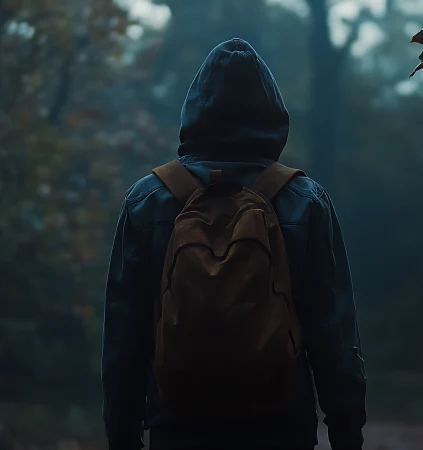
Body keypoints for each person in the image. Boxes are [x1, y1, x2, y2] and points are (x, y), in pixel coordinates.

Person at [101, 38, 367, 450]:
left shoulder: (148, 199)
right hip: (280, 426)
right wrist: (347, 433)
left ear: (195, 110)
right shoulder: (304, 200)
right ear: (273, 113)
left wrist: (122, 435)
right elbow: (333, 333)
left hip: (179, 425)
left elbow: (125, 338)